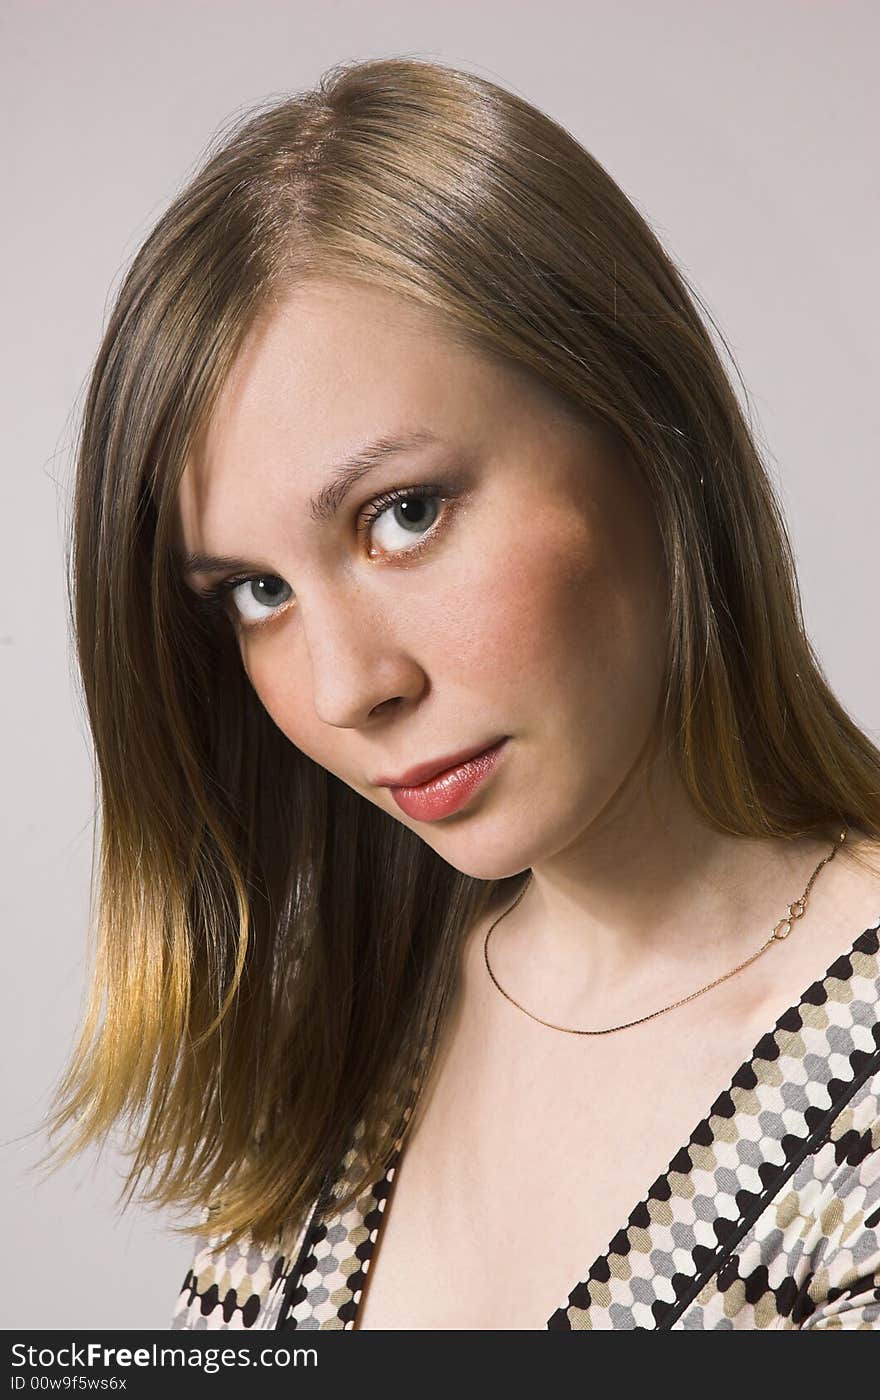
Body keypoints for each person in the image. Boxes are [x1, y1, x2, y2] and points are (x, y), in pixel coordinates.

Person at [41, 56, 880, 1331]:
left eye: (404, 514)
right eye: (256, 592)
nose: (348, 685)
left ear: (651, 434)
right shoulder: (350, 1040)